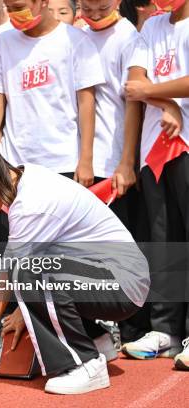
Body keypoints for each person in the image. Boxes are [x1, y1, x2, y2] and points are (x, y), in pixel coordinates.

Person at [0, 135, 149, 395]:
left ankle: (85, 363)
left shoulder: (32, 203)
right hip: (108, 276)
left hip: (122, 284)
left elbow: (9, 278)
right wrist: (26, 308)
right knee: (25, 272)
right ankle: (97, 341)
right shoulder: (22, 179)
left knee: (23, 271)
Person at [119, 0, 189, 371]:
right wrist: (169, 101)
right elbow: (133, 84)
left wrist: (155, 92)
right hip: (154, 150)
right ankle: (165, 330)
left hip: (187, 144)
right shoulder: (151, 28)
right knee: (164, 243)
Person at [0, 0, 104, 186]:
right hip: (15, 164)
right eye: (9, 8)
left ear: (43, 2)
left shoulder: (75, 40)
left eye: (19, 7)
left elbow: (86, 103)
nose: (14, 14)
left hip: (63, 162)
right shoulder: (4, 41)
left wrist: (86, 160)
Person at [81, 0, 143, 221]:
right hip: (80, 159)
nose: (95, 16)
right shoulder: (79, 36)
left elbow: (133, 103)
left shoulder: (129, 38)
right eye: (87, 9)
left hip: (111, 160)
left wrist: (126, 162)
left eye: (103, 9)